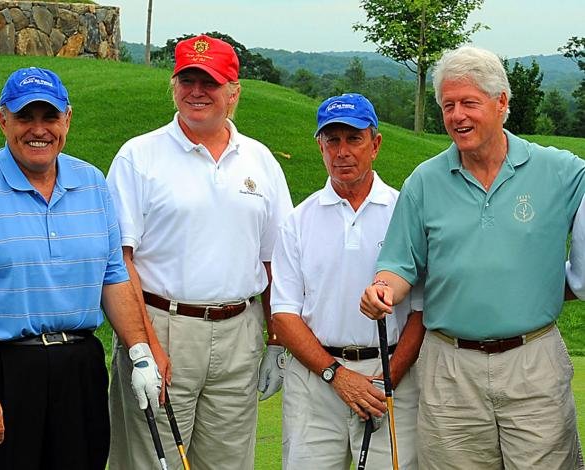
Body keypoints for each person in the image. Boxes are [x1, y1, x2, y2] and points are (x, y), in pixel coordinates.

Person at [360, 45, 585, 470]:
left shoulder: (560, 171)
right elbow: (399, 264)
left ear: (501, 103)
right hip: (450, 368)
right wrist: (382, 289)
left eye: (469, 103)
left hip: (533, 362)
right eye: (448, 105)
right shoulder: (424, 181)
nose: (457, 116)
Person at [0, 67, 162, 470]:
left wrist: (140, 352)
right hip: (1, 369)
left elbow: (113, 277)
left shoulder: (92, 183)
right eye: (24, 117)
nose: (38, 130)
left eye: (49, 117)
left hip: (79, 368)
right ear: (2, 121)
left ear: (67, 119)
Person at [106, 34, 293, 470]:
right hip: (163, 326)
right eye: (187, 80)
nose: (196, 92)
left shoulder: (260, 160)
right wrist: (144, 347)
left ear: (234, 92)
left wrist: (275, 340)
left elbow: (276, 260)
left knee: (229, 462)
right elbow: (120, 261)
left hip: (240, 333)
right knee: (153, 462)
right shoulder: (139, 156)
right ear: (173, 86)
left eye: (209, 82)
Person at [270, 93, 424, 469]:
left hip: (391, 377)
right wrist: (337, 375)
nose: (342, 152)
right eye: (332, 140)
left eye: (354, 139)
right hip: (317, 380)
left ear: (375, 144)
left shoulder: (405, 212)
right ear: (320, 146)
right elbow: (284, 316)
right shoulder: (298, 221)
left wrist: (388, 380)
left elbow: (421, 311)